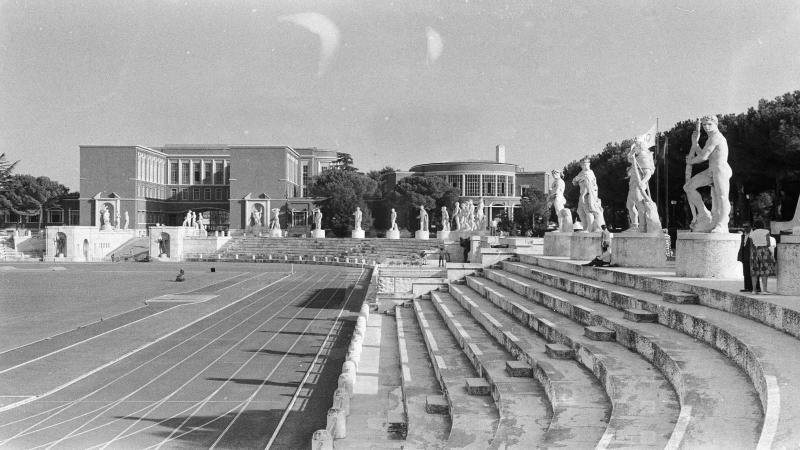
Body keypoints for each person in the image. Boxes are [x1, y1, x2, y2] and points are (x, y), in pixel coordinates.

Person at [684, 116, 732, 233]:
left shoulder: (716, 137)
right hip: (711, 170)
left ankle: (722, 224)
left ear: (716, 124)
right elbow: (704, 154)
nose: (706, 127)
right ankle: (704, 214)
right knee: (688, 187)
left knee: (722, 197)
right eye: (704, 125)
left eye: (709, 124)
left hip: (720, 170)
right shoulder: (710, 139)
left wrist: (691, 161)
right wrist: (695, 143)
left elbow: (703, 157)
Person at [572, 157, 605, 232]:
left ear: (589, 164)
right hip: (582, 194)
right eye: (582, 164)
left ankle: (589, 229)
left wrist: (584, 195)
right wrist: (577, 179)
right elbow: (574, 182)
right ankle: (585, 227)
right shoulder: (581, 173)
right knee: (580, 211)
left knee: (588, 211)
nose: (583, 165)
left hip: (589, 194)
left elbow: (589, 186)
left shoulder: (589, 173)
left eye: (585, 164)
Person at [749, 221, 776, 294]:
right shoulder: (766, 231)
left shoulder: (751, 233)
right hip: (764, 251)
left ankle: (754, 290)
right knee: (764, 270)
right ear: (763, 225)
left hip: (754, 252)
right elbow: (768, 243)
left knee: (754, 271)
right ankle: (764, 290)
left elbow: (751, 245)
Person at [737, 224, 760, 293]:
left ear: (751, 227)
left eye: (747, 227)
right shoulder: (743, 235)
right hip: (745, 256)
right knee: (746, 272)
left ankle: (757, 288)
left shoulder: (754, 235)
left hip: (752, 256)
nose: (745, 228)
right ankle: (747, 287)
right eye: (744, 227)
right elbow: (742, 246)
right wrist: (740, 256)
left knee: (754, 272)